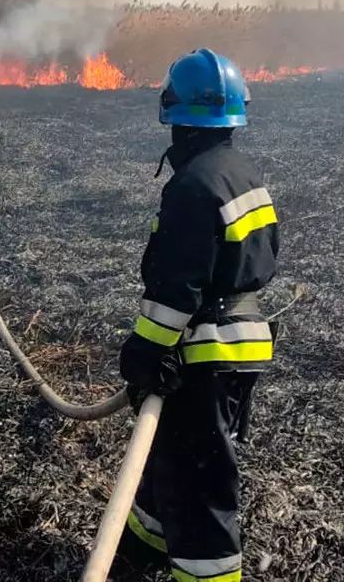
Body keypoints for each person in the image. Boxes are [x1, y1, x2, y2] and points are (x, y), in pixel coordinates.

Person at [115, 48, 279, 582]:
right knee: (171, 462)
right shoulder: (241, 172)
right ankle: (144, 551)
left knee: (198, 484)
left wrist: (145, 348)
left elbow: (178, 284)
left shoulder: (192, 186)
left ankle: (207, 573)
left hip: (204, 350)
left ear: (176, 115)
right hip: (242, 343)